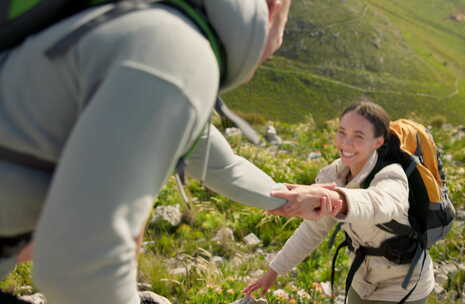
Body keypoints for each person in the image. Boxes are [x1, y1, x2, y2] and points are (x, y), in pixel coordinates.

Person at [0, 1, 342, 303]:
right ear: (274, 6)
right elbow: (81, 263)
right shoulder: (175, 54)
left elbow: (222, 167)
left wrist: (292, 199)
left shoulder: (163, 35)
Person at [244, 101, 435, 304]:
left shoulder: (392, 175)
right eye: (342, 132)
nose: (346, 143)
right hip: (363, 280)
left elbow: (379, 204)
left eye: (358, 136)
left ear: (378, 141)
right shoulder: (334, 174)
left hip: (403, 285)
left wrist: (334, 199)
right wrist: (273, 272)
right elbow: (312, 230)